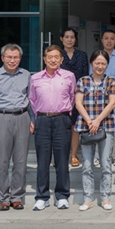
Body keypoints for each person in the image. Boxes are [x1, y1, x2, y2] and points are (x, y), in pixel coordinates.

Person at [0, 43, 34, 211]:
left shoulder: (26, 75)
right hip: (1, 118)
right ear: (2, 58)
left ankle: (17, 197)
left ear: (20, 58)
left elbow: (31, 100)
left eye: (16, 57)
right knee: (2, 160)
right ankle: (3, 198)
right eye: (9, 57)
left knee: (21, 160)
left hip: (22, 117)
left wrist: (32, 120)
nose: (13, 60)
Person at [30, 45, 76, 211]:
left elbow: (72, 97)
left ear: (61, 59)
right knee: (42, 160)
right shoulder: (35, 78)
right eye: (49, 57)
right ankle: (42, 197)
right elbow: (32, 100)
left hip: (61, 119)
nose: (53, 60)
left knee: (62, 160)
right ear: (44, 59)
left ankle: (62, 196)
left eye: (56, 57)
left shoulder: (69, 76)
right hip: (42, 120)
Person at [75, 50, 115, 211]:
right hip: (86, 126)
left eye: (103, 63)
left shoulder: (112, 81)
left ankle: (105, 198)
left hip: (106, 126)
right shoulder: (83, 81)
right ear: (92, 63)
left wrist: (98, 120)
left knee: (106, 164)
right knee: (87, 164)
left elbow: (112, 103)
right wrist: (89, 121)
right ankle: (88, 198)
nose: (100, 66)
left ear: (107, 65)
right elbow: (78, 103)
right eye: (97, 63)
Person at [93, 29, 115, 166]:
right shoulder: (96, 56)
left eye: (112, 38)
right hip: (97, 95)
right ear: (102, 40)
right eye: (106, 38)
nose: (109, 41)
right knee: (97, 125)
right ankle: (97, 155)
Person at [59, 28, 88, 168]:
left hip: (78, 95)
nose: (69, 40)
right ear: (61, 38)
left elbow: (85, 75)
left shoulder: (82, 55)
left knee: (75, 126)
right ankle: (59, 156)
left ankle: (74, 155)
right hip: (60, 95)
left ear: (75, 39)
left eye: (72, 37)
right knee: (60, 127)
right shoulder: (57, 54)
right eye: (67, 37)